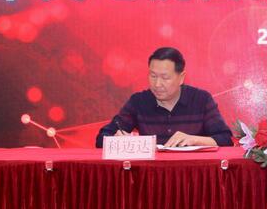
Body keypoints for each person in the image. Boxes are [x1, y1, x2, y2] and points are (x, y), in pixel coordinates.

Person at [95, 47, 233, 148]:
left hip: (192, 174)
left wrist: (194, 140)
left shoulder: (201, 100)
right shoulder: (138, 101)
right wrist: (117, 140)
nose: (157, 84)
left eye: (165, 78)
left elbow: (225, 139)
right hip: (150, 175)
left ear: (181, 77)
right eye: (153, 76)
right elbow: (102, 138)